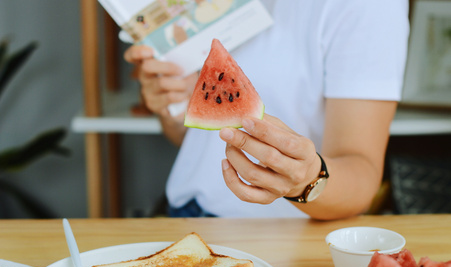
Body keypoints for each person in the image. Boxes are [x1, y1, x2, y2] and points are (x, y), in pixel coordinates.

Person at [124, 0, 410, 219]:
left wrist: (307, 180)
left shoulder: (368, 7)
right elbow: (194, 142)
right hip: (187, 215)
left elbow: (362, 175)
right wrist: (172, 105)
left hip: (288, 237)